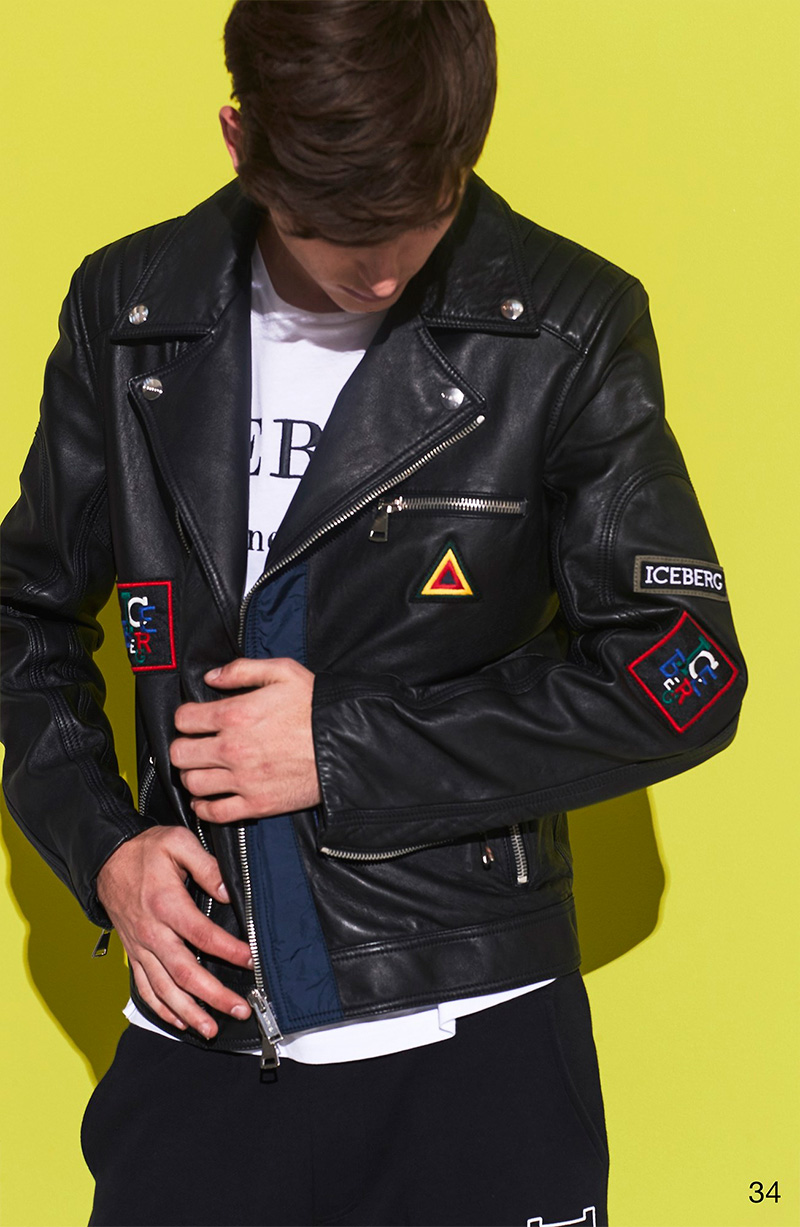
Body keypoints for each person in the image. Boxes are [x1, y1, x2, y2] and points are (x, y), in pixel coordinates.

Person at [0, 2, 747, 1225]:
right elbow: (22, 613)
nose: (384, 271)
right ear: (239, 140)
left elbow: (683, 674)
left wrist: (340, 746)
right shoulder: (130, 310)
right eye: (333, 231)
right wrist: (103, 849)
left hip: (473, 1046)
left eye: (422, 217)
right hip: (199, 1052)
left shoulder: (563, 326)